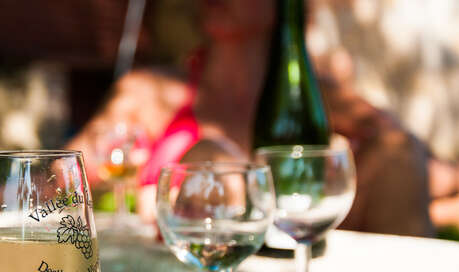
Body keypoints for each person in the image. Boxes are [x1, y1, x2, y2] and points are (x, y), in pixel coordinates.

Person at [67, 0, 435, 237]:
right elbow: (62, 179)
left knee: (400, 159)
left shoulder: (318, 96)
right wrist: (125, 181)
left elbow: (420, 163)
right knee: (212, 155)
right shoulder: (149, 92)